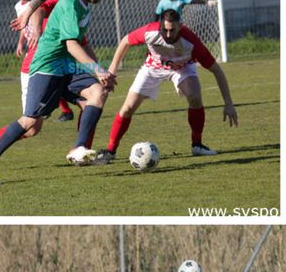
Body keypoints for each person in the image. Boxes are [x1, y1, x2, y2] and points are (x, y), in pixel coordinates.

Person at [0, 0, 117, 186]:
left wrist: (28, 10)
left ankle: (79, 148)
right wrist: (97, 69)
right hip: (47, 66)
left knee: (98, 92)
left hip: (65, 66)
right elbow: (71, 45)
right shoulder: (71, 7)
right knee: (30, 122)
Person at [97, 9, 238, 161]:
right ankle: (110, 151)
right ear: (160, 26)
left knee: (195, 96)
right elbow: (125, 41)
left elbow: (217, 71)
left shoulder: (191, 43)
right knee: (127, 108)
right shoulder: (149, 31)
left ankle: (197, 145)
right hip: (153, 67)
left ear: (180, 26)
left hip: (182, 68)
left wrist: (228, 104)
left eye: (173, 30)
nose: (169, 35)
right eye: (165, 30)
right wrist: (112, 70)